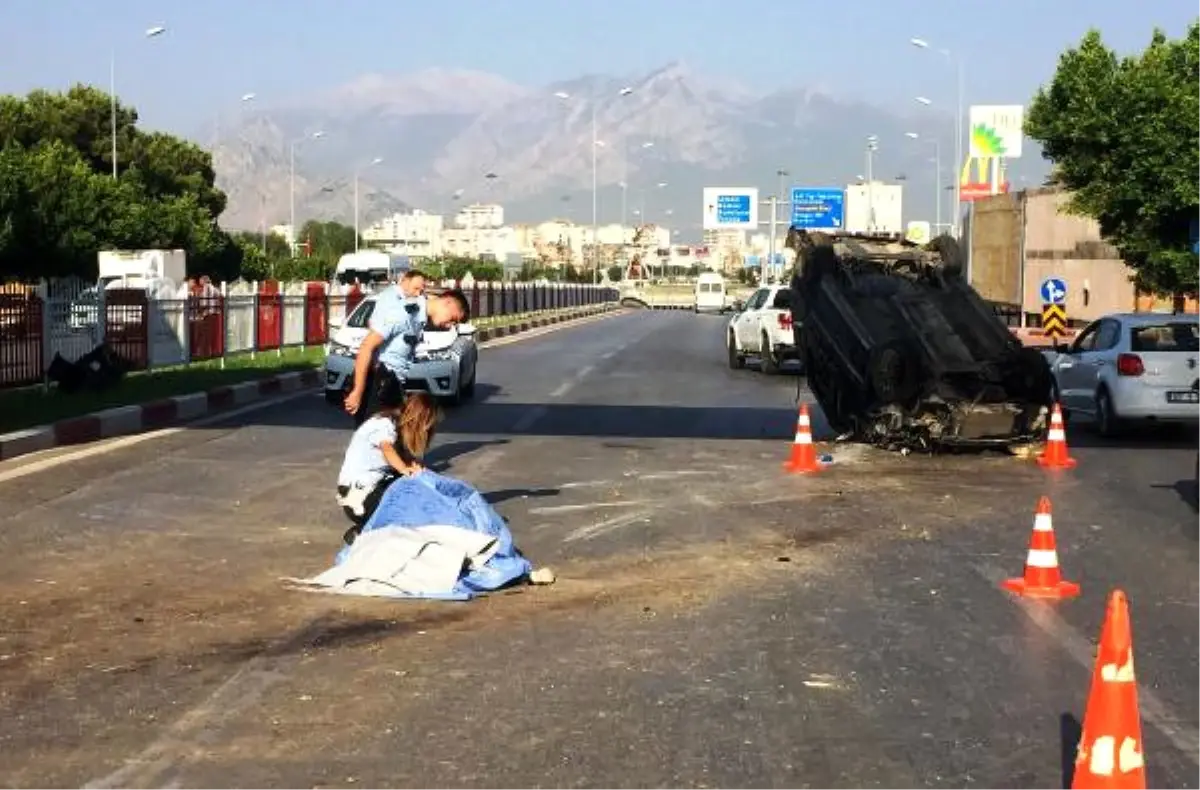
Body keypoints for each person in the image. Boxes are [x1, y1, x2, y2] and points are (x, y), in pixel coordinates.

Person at [344, 277, 470, 426]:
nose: (450, 325)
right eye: (453, 319)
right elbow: (367, 346)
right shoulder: (404, 314)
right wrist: (358, 391)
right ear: (447, 302)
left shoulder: (418, 319)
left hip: (392, 385)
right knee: (377, 440)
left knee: (389, 439)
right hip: (379, 385)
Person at [336, 393, 444, 545]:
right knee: (409, 505)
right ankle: (363, 533)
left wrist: (416, 469)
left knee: (417, 491)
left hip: (371, 491)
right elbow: (387, 449)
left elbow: (406, 461)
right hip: (360, 496)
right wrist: (405, 470)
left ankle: (371, 530)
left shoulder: (397, 431)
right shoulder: (385, 424)